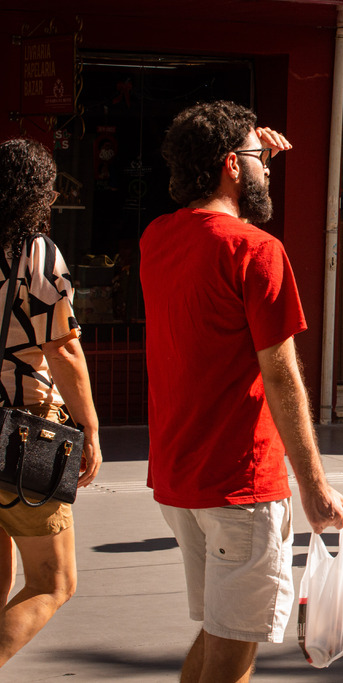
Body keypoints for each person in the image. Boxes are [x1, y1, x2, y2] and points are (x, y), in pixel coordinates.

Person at [140, 101, 343, 682]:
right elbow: (280, 375)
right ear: (232, 165)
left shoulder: (157, 238)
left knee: (218, 631)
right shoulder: (257, 251)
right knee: (232, 658)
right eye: (261, 161)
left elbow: (217, 206)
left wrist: (251, 152)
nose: (270, 170)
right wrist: (314, 487)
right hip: (242, 484)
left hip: (181, 479)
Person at [0, 138, 102, 667]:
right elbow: (62, 348)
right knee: (53, 582)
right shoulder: (34, 252)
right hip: (22, 432)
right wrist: (89, 428)